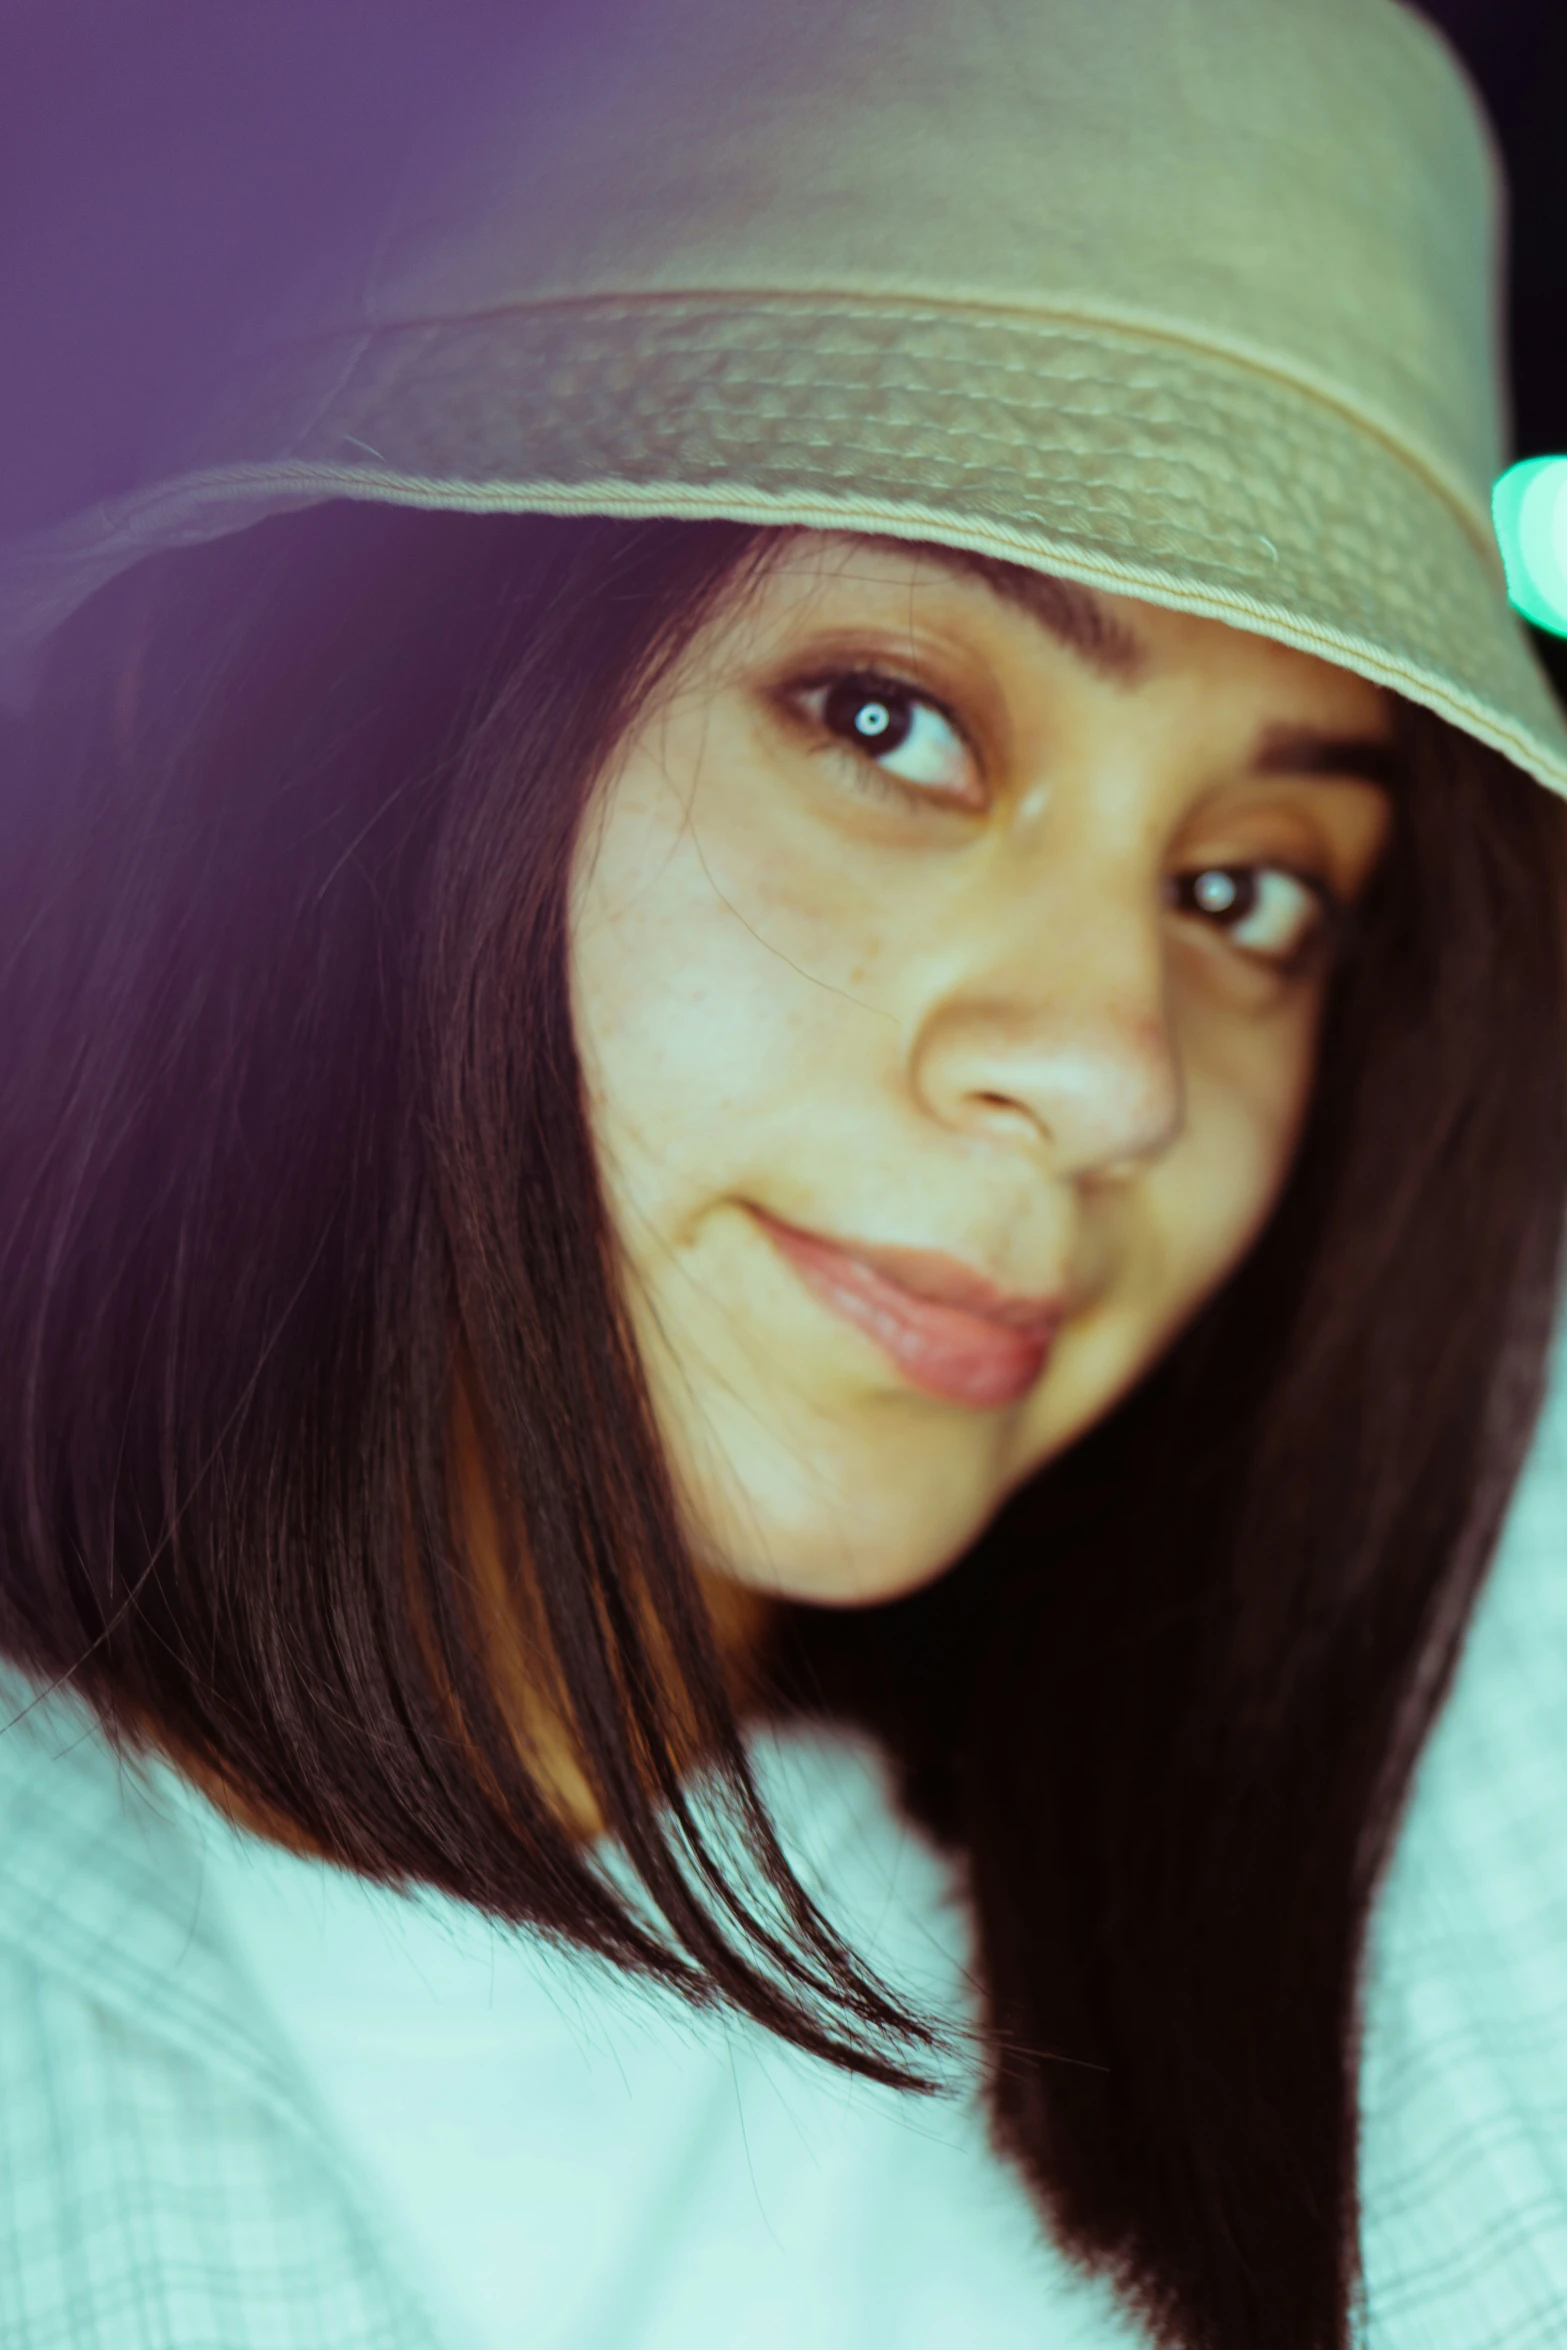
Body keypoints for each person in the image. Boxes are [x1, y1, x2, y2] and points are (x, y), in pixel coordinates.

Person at [3, 2, 1567, 2346]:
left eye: (1252, 889)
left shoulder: (1325, 1948)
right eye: (890, 717)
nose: (1111, 1070)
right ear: (291, 735)